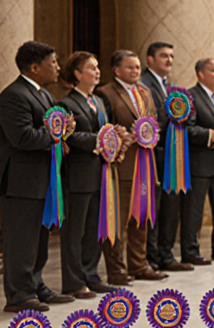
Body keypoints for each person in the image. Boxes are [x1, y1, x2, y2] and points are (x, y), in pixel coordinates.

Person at [0, 42, 75, 312]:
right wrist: (56, 133)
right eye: (52, 62)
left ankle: (36, 284)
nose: (57, 66)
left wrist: (62, 131)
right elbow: (22, 137)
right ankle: (19, 294)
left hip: (44, 179)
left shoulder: (43, 95)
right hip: (21, 182)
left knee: (40, 237)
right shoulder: (14, 95)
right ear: (34, 67)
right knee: (21, 239)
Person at [59, 52, 128, 297]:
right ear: (77, 74)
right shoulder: (66, 104)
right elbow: (68, 136)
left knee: (94, 229)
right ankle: (73, 281)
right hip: (78, 176)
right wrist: (100, 140)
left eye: (98, 67)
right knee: (74, 231)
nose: (97, 72)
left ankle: (91, 274)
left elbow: (106, 132)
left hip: (101, 173)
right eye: (91, 68)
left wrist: (117, 137)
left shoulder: (98, 102)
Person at [96, 50, 169, 282]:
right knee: (117, 217)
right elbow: (105, 127)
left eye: (137, 67)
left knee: (142, 214)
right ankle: (116, 268)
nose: (135, 71)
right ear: (116, 70)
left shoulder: (144, 92)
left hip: (145, 163)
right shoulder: (105, 92)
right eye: (130, 67)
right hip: (121, 163)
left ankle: (139, 264)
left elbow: (153, 121)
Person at [140, 41, 188, 272]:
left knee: (171, 205)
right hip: (152, 155)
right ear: (150, 60)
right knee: (153, 206)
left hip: (172, 156)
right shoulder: (143, 85)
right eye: (163, 56)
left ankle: (166, 253)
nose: (169, 60)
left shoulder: (170, 87)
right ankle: (150, 256)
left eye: (171, 56)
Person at [182, 58, 214, 262]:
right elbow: (186, 129)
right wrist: (212, 135)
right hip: (199, 162)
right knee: (194, 210)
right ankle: (191, 251)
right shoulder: (191, 97)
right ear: (201, 74)